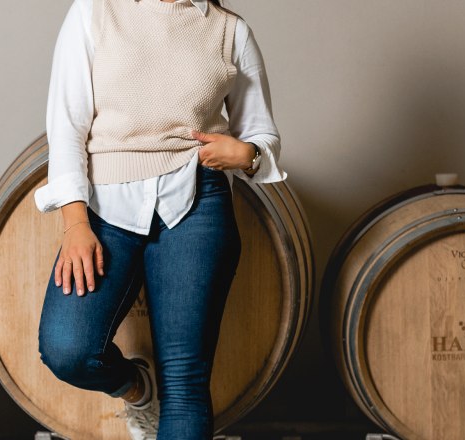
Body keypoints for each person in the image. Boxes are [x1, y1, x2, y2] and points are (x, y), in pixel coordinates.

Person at [33, 0, 287, 438]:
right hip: (104, 206)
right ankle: (136, 388)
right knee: (68, 349)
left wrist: (248, 155)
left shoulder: (230, 31)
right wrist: (76, 223)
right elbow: (67, 124)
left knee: (186, 382)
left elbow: (261, 135)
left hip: (197, 202)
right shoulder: (95, 11)